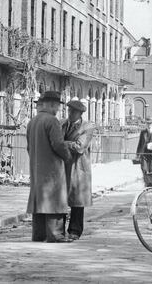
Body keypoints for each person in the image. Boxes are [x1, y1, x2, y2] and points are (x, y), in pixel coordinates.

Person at [26, 90, 71, 243]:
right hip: (52, 168)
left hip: (37, 167)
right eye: (57, 105)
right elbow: (58, 144)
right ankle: (55, 234)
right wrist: (67, 156)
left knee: (39, 200)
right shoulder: (52, 121)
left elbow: (28, 147)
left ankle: (39, 235)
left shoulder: (33, 121)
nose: (58, 109)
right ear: (52, 104)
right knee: (54, 199)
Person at [62, 99, 95, 240]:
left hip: (78, 167)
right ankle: (59, 230)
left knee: (77, 200)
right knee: (61, 199)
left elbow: (80, 147)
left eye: (74, 111)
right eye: (69, 110)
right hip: (63, 166)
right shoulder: (62, 124)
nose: (70, 113)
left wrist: (62, 143)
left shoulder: (87, 127)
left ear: (80, 113)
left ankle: (75, 230)